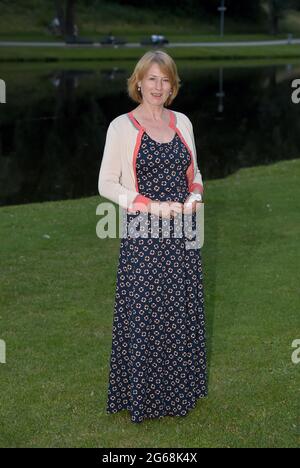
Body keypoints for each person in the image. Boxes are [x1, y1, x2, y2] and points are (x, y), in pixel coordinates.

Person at [98, 50, 207, 423]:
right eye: (152, 79)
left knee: (180, 311)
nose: (158, 87)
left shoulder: (183, 122)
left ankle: (180, 392)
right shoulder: (121, 127)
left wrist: (194, 195)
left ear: (173, 86)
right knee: (145, 314)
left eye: (166, 80)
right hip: (144, 233)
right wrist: (149, 205)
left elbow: (195, 173)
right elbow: (106, 184)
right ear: (139, 82)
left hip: (184, 233)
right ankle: (145, 397)